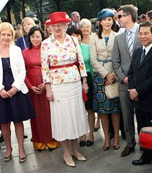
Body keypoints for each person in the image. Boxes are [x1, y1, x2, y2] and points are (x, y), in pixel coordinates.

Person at [41, 12, 88, 167]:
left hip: (74, 83)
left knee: (74, 117)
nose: (56, 27)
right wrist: (48, 88)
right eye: (53, 25)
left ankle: (75, 150)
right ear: (50, 27)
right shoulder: (46, 44)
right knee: (62, 119)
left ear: (66, 25)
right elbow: (44, 68)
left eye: (59, 25)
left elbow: (80, 62)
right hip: (57, 85)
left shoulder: (73, 40)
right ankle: (66, 153)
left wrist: (85, 81)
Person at [0, 22, 35, 163]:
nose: (6, 37)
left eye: (9, 35)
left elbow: (22, 71)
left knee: (18, 121)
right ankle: (8, 149)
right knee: (4, 122)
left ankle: (21, 149)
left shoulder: (16, 50)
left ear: (12, 36)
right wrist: (0, 89)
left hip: (16, 89)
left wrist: (15, 87)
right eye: (4, 34)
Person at [128, 21, 152, 165]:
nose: (142, 36)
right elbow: (131, 72)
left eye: (146, 33)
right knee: (142, 128)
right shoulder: (138, 51)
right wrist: (132, 90)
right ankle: (145, 156)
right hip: (138, 100)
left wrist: (138, 90)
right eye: (140, 33)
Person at [23, 26, 59, 151]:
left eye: (37, 36)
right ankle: (38, 141)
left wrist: (46, 83)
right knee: (36, 115)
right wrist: (30, 86)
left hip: (47, 85)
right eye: (32, 36)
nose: (35, 39)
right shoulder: (25, 52)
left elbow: (53, 67)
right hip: (33, 88)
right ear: (29, 38)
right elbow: (23, 72)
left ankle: (52, 140)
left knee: (50, 114)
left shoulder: (48, 50)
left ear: (42, 37)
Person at [112, 4, 141, 157]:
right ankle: (130, 143)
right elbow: (115, 61)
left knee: (143, 115)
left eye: (120, 16)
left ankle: (146, 143)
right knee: (127, 116)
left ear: (129, 16)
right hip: (124, 83)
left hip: (143, 83)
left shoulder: (144, 32)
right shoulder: (118, 38)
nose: (117, 19)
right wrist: (123, 78)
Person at [90, 8, 121, 151]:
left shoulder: (118, 35)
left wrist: (112, 75)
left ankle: (116, 136)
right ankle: (106, 138)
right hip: (100, 77)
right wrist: (105, 74)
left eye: (110, 19)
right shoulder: (94, 37)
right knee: (102, 110)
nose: (108, 22)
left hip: (114, 75)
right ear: (100, 22)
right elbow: (93, 59)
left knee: (115, 109)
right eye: (105, 20)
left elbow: (119, 57)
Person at [79, 18, 95, 147]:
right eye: (82, 27)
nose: (85, 29)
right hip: (76, 77)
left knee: (90, 107)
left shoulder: (92, 42)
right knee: (80, 108)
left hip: (90, 76)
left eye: (87, 27)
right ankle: (82, 134)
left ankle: (91, 134)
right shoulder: (75, 45)